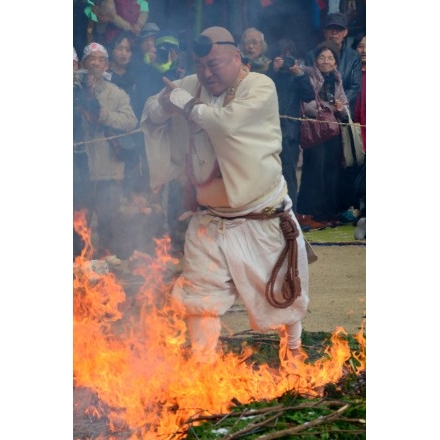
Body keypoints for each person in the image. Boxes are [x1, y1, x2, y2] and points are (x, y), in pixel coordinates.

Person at [140, 26, 312, 365]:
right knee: (199, 296)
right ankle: (202, 366)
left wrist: (186, 104)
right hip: (209, 219)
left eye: (214, 64)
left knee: (283, 294)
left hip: (261, 216)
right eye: (199, 65)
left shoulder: (260, 86)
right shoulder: (194, 84)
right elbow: (151, 112)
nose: (206, 73)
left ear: (236, 57)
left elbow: (228, 124)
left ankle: (293, 353)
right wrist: (164, 105)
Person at [76, 42, 138, 264]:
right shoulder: (73, 90)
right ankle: (80, 263)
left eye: (100, 59)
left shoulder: (116, 94)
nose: (95, 63)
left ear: (107, 65)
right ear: (82, 64)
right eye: (90, 58)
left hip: (108, 169)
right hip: (79, 172)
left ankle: (107, 261)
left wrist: (103, 115)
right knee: (79, 221)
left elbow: (131, 121)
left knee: (109, 217)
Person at [296, 41, 349, 229]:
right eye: (322, 57)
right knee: (314, 171)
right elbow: (306, 103)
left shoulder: (336, 78)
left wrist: (341, 108)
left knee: (331, 172)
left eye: (330, 58)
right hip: (315, 131)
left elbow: (343, 103)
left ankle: (327, 213)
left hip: (332, 131)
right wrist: (325, 108)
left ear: (335, 62)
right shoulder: (309, 76)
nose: (326, 61)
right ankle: (309, 213)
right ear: (315, 60)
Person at [266, 38, 315, 215]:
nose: (285, 60)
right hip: (268, 131)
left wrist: (299, 74)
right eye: (281, 56)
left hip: (290, 132)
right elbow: (261, 95)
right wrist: (273, 71)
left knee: (290, 177)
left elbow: (309, 96)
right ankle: (270, 213)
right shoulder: (268, 77)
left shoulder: (298, 76)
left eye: (288, 56)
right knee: (268, 175)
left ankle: (291, 215)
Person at [304, 12, 361, 115]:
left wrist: (339, 104)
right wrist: (324, 106)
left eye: (338, 29)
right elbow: (307, 85)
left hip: (341, 114)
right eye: (331, 29)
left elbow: (355, 87)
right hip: (316, 113)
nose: (334, 32)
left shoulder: (353, 57)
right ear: (324, 32)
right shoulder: (311, 55)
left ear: (345, 32)